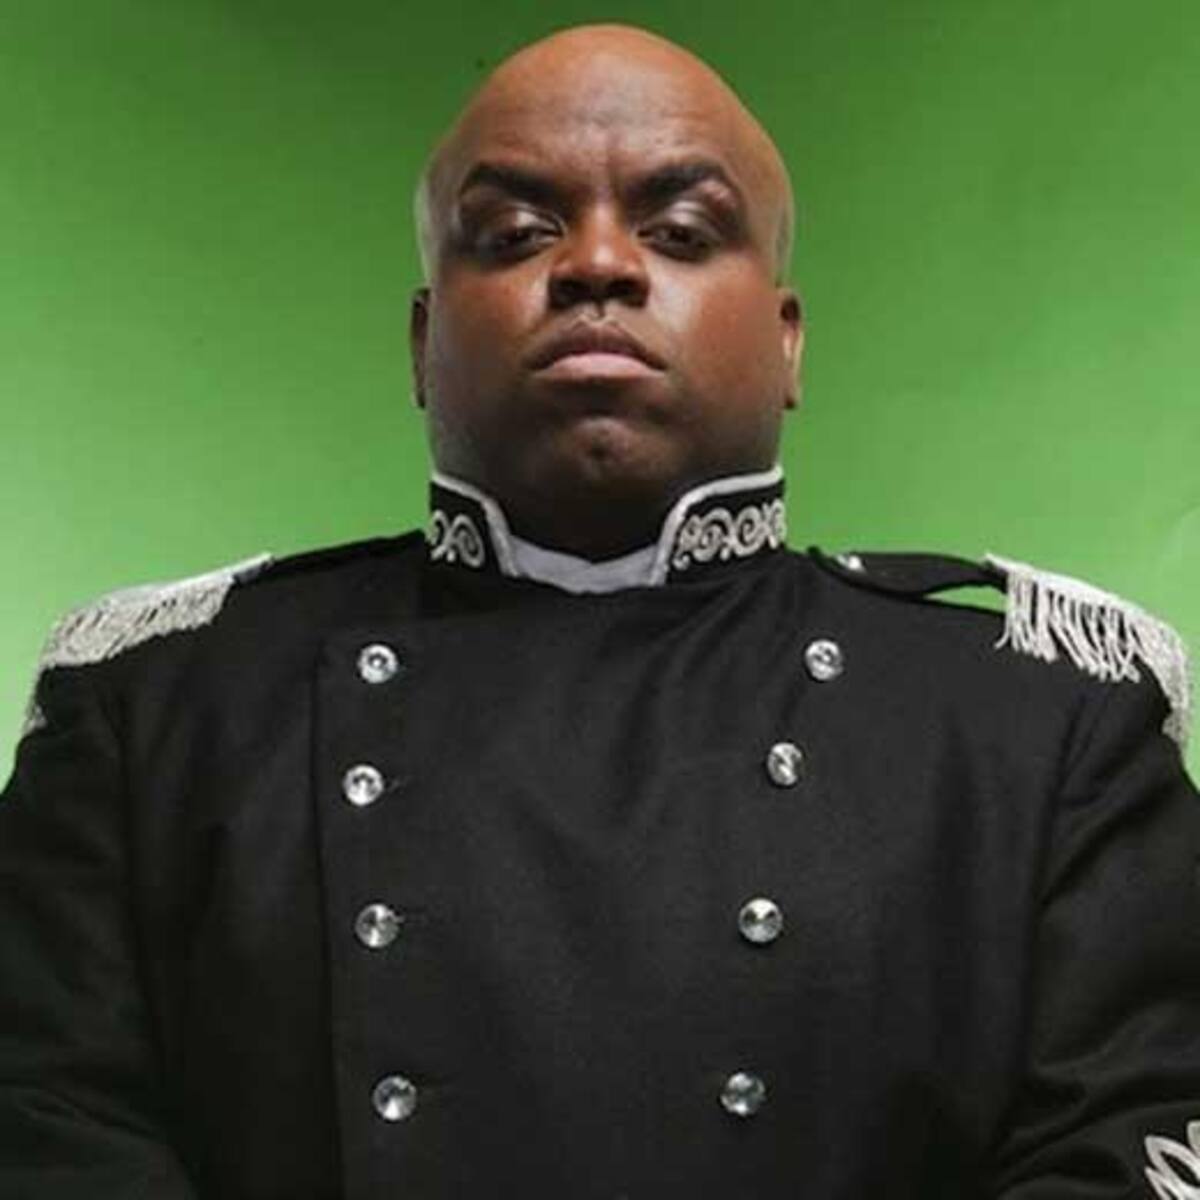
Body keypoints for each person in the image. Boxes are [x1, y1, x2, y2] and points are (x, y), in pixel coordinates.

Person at [1, 21, 1197, 1200]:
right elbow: (46, 1124)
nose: (599, 265)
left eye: (681, 232)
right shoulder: (155, 711)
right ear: (422, 342)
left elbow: (1135, 1136)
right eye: (517, 233)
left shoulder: (1043, 724)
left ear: (787, 342)